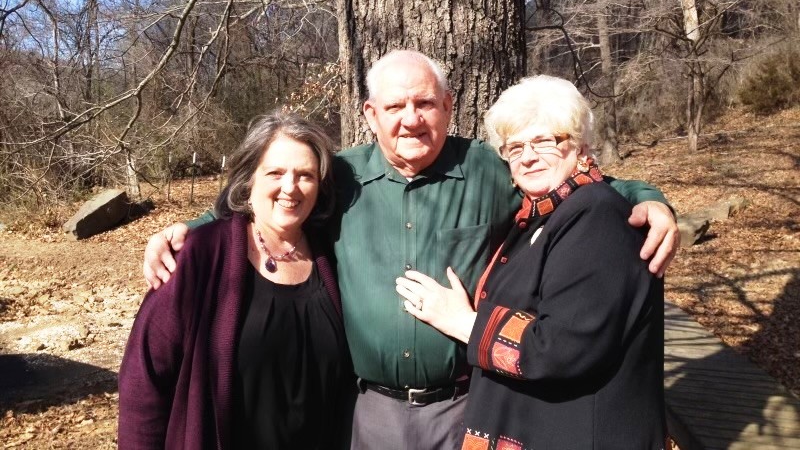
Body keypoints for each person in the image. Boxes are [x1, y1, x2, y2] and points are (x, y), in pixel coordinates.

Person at [142, 51, 678, 450]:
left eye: (424, 103)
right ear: (370, 114)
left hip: (463, 404)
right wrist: (185, 229)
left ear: (447, 107)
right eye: (395, 106)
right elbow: (272, 201)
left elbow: (571, 184)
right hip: (367, 409)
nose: (411, 119)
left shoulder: (491, 168)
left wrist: (648, 199)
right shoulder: (341, 177)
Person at [396, 75, 666, 448]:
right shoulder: (541, 215)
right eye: (515, 146)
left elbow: (560, 347)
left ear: (580, 145)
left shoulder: (597, 215)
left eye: (544, 141)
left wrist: (461, 321)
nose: (527, 156)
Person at [118, 113, 350, 449]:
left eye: (305, 175)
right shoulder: (200, 256)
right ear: (249, 179)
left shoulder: (331, 255)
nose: (290, 187)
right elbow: (144, 379)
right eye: (275, 173)